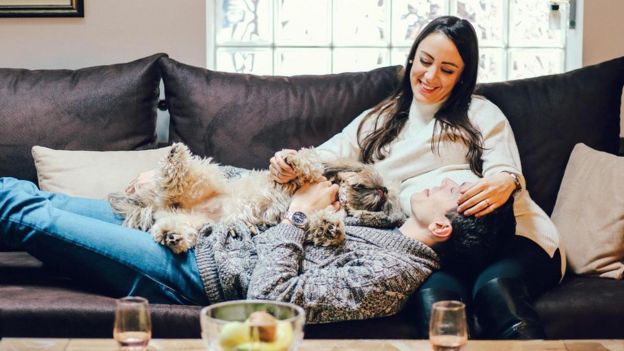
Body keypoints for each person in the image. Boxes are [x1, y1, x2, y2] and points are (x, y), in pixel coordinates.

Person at [270, 15, 563, 338]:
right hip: (440, 248)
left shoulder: (479, 112)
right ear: (412, 59)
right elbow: (324, 156)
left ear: (463, 77)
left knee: (494, 289)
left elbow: (504, 169)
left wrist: (506, 181)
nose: (430, 76)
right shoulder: (380, 119)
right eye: (424, 61)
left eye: (448, 70)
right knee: (436, 301)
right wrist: (289, 163)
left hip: (511, 236)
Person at [0, 175, 512, 324]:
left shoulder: (389, 279)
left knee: (30, 219)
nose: (441, 181)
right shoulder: (387, 224)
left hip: (192, 269)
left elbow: (271, 300)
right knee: (26, 194)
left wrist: (299, 214)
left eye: (450, 189)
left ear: (442, 227)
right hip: (202, 226)